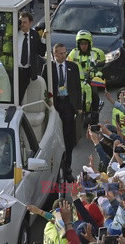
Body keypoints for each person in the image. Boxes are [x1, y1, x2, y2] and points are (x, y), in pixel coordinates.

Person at [42, 43, 82, 182]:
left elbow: (77, 87)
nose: (63, 55)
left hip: (67, 104)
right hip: (54, 104)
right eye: (60, 53)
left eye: (65, 52)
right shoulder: (48, 68)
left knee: (68, 137)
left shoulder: (73, 67)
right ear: (54, 54)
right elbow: (43, 87)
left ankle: (67, 168)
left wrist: (78, 106)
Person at [67, 30, 105, 125]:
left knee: (95, 94)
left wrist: (97, 72)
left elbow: (98, 66)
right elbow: (68, 65)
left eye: (85, 43)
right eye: (81, 44)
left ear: (89, 44)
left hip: (90, 80)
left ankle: (95, 115)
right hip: (77, 80)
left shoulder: (94, 53)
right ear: (78, 44)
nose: (83, 46)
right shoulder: (73, 53)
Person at [17, 12, 45, 105]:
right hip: (14, 70)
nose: (22, 24)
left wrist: (44, 39)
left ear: (30, 23)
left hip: (26, 72)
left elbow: (41, 52)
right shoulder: (15, 33)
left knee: (20, 95)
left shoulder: (34, 35)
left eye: (25, 22)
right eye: (21, 22)